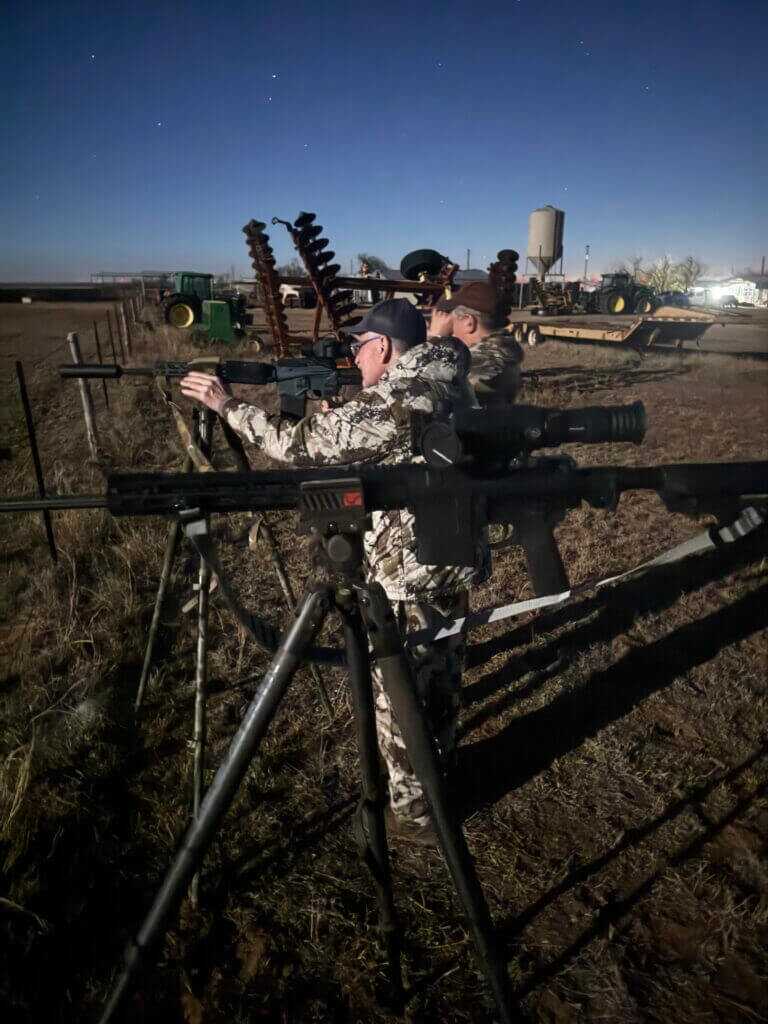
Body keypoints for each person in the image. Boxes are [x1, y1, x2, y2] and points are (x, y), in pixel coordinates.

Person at [180, 299, 485, 845]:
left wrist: (227, 405)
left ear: (385, 347)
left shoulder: (397, 399)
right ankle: (444, 778)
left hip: (407, 574)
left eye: (359, 346)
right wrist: (343, 426)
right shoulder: (451, 385)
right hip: (451, 558)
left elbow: (295, 446)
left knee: (400, 701)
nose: (354, 357)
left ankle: (417, 816)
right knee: (441, 680)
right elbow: (392, 446)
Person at [430, 281, 524, 404]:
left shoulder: (483, 362)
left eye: (450, 326)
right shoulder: (502, 350)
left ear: (468, 322)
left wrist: (436, 340)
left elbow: (418, 394)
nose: (450, 334)